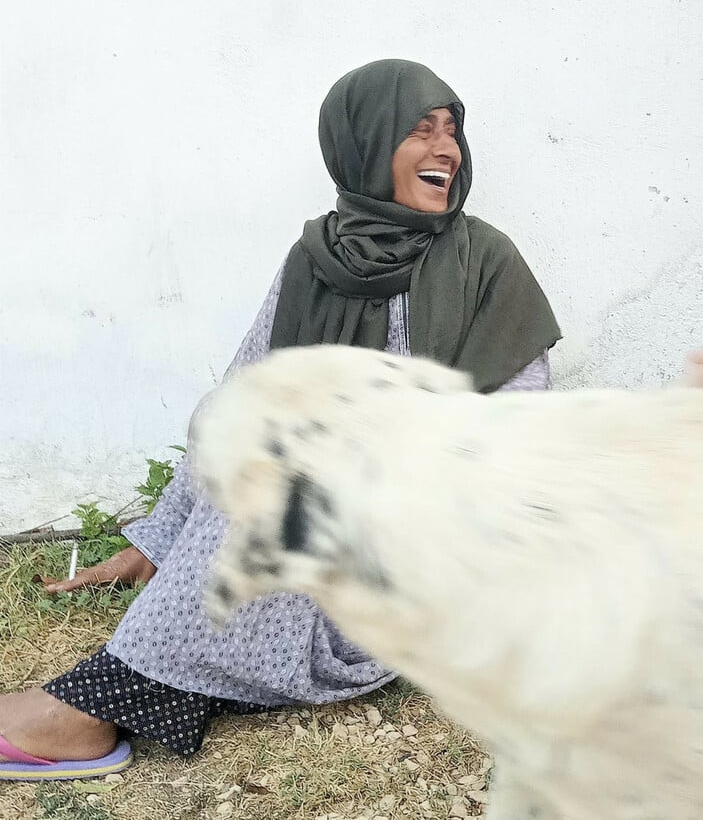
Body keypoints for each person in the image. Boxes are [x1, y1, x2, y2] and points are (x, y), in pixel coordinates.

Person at [0, 59, 561, 780]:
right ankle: (142, 690)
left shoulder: (484, 263)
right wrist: (162, 540)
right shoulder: (314, 258)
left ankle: (85, 711)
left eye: (451, 131)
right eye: (420, 130)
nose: (446, 150)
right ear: (361, 143)